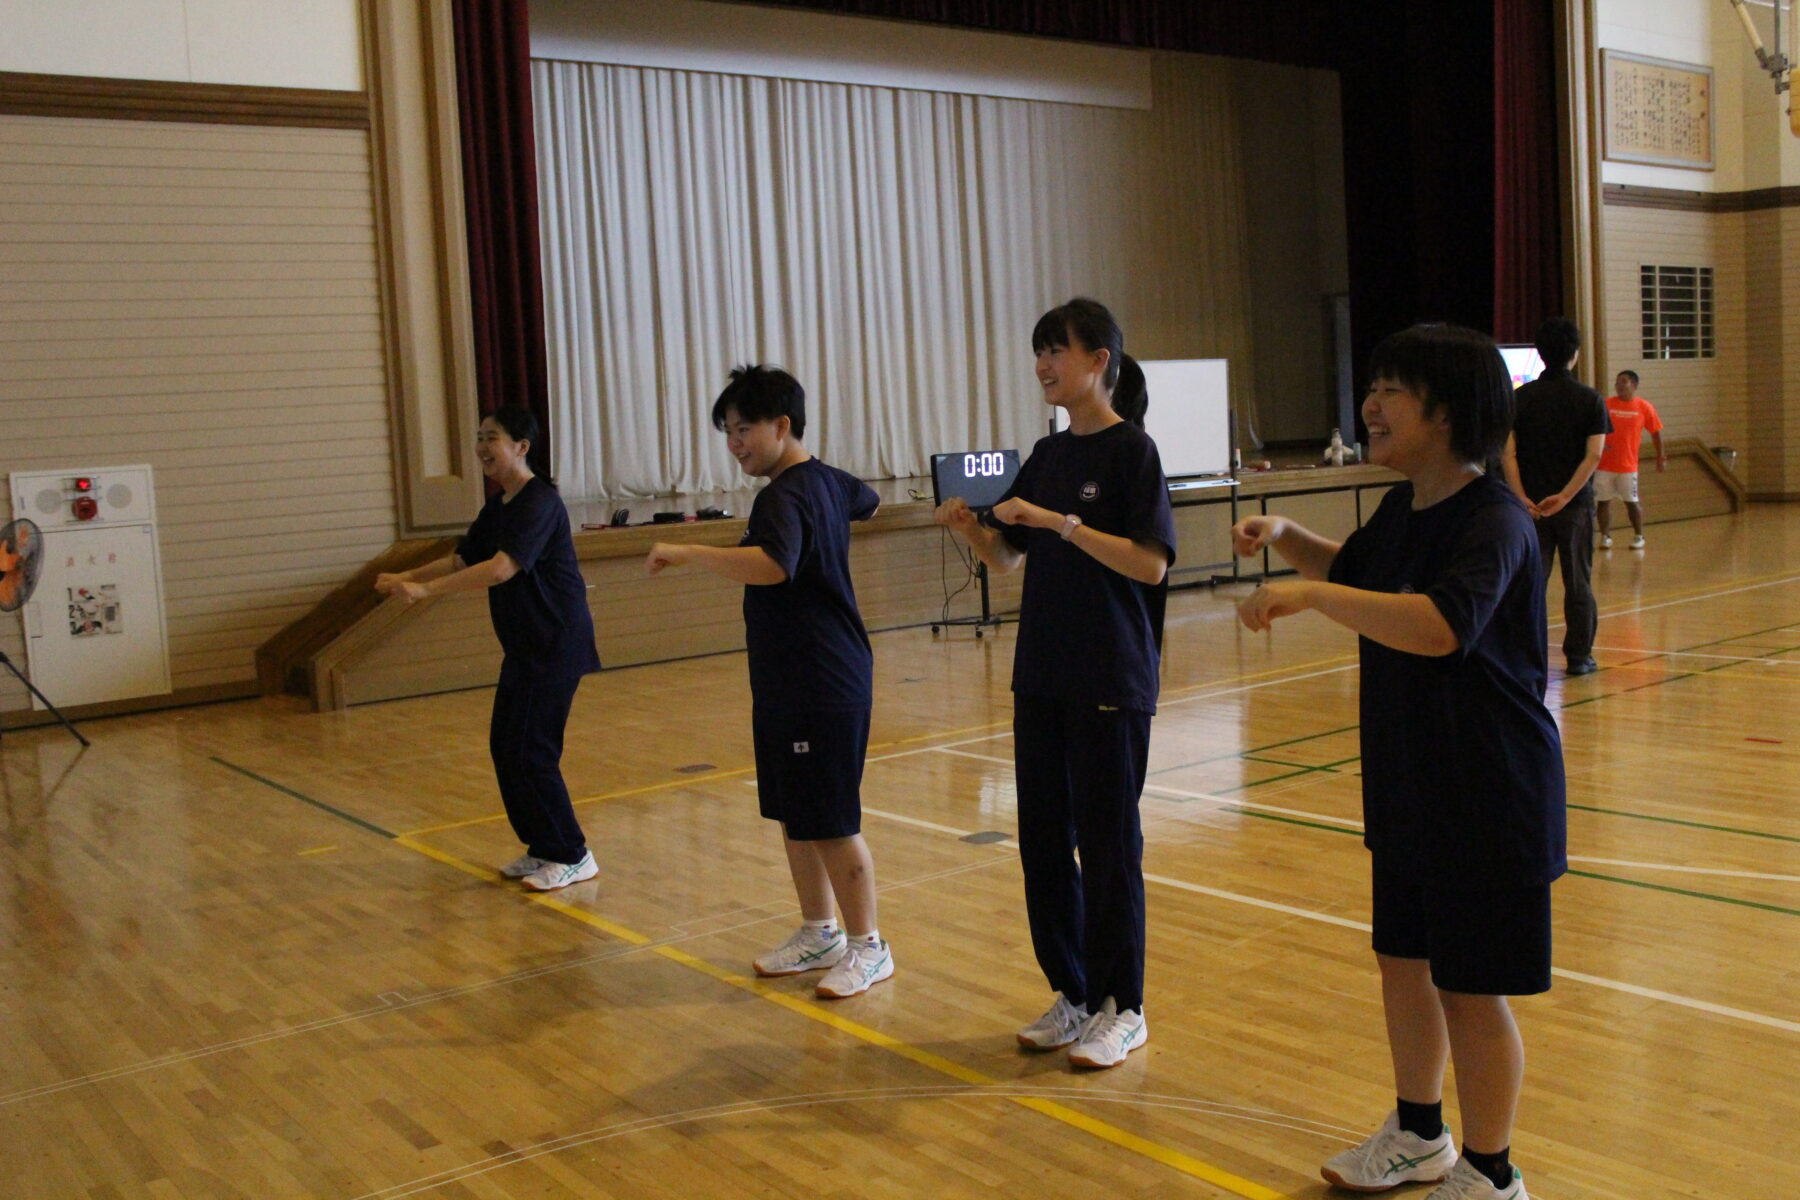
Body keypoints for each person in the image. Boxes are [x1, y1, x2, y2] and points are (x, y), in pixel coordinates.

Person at [1234, 324, 1564, 1200]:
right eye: (1373, 385)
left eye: (1392, 390)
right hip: (1415, 782)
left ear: (1449, 413)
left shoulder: (1495, 520)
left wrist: (1309, 594)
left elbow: (1438, 624)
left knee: (1472, 990)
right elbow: (1362, 572)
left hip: (1490, 793)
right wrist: (1292, 537)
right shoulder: (1403, 508)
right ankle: (1420, 1133)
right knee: (1405, 963)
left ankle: (1492, 1175)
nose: (1370, 404)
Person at [935, 298, 1176, 1070]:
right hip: (1042, 672)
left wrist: (1062, 523)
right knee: (1043, 842)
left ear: (1100, 358)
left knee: (1110, 846)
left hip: (1111, 674)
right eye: (1038, 352)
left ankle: (1123, 1005)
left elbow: (1151, 563)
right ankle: (1075, 994)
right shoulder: (1047, 455)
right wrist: (973, 532)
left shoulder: (1132, 454)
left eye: (1056, 351)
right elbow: (1008, 560)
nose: (1043, 365)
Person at [645, 365, 893, 1000]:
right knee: (795, 813)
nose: (735, 443)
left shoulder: (783, 496)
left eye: (745, 429)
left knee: (831, 818)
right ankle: (820, 931)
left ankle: (870, 947)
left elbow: (773, 565)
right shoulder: (819, 482)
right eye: (728, 431)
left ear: (782, 426)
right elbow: (866, 499)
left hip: (823, 679)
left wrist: (690, 552)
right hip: (787, 679)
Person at [376, 406, 602, 892]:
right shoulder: (499, 505)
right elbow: (464, 556)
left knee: (533, 751)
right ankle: (543, 845)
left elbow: (500, 569)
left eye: (492, 437)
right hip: (525, 646)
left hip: (555, 642)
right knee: (506, 745)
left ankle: (572, 854)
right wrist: (407, 577)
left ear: (521, 447)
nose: (481, 446)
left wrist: (427, 593)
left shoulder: (540, 501)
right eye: (479, 436)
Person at [1501, 317, 1610, 676]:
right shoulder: (1589, 399)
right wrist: (1564, 496)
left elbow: (1507, 454)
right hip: (1574, 506)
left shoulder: (1520, 398)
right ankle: (1579, 657)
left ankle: (1524, 655)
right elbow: (1593, 455)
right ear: (1575, 354)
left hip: (1530, 508)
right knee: (1578, 581)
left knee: (1532, 582)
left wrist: (1521, 498)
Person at [1595, 370, 1665, 550]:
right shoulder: (1607, 405)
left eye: (1623, 382)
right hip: (1604, 464)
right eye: (1617, 382)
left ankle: (1639, 535)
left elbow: (1656, 433)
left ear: (1634, 385)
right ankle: (1605, 536)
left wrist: (1660, 456)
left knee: (1631, 502)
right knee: (1603, 501)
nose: (1619, 386)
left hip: (1628, 466)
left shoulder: (1644, 407)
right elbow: (1596, 428)